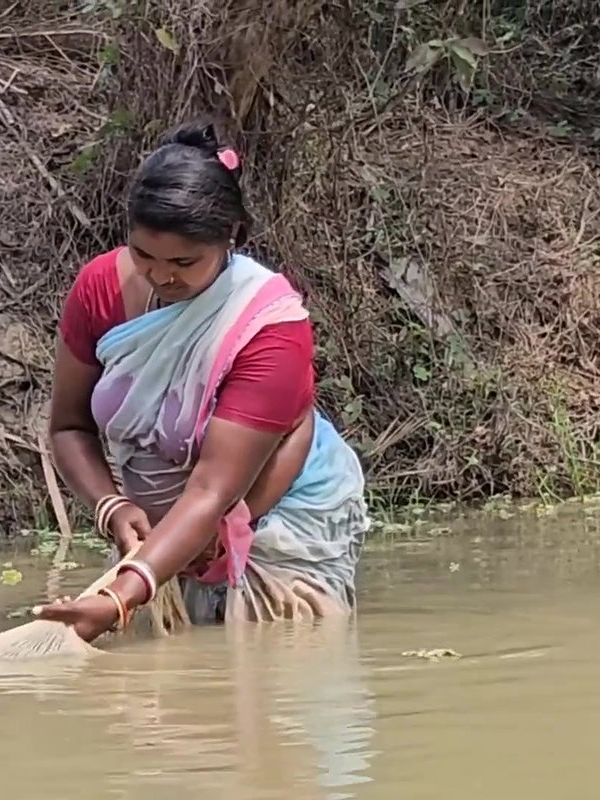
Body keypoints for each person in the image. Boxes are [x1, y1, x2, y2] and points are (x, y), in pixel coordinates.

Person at [38, 121, 369, 642]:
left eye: (184, 262)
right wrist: (113, 506)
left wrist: (121, 597)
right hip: (168, 524)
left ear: (231, 237)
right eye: (144, 256)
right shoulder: (99, 290)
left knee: (279, 669)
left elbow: (214, 490)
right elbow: (68, 427)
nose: (160, 276)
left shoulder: (269, 326)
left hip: (280, 515)